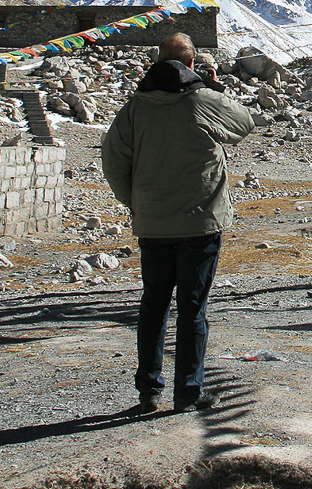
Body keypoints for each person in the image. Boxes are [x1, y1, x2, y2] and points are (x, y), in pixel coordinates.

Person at [102, 32, 254, 413]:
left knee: (153, 304)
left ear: (157, 62)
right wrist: (211, 85)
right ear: (190, 64)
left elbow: (113, 161)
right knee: (192, 308)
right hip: (199, 222)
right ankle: (188, 389)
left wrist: (137, 201)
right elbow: (244, 124)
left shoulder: (134, 108)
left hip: (153, 224)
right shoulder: (202, 100)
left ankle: (148, 390)